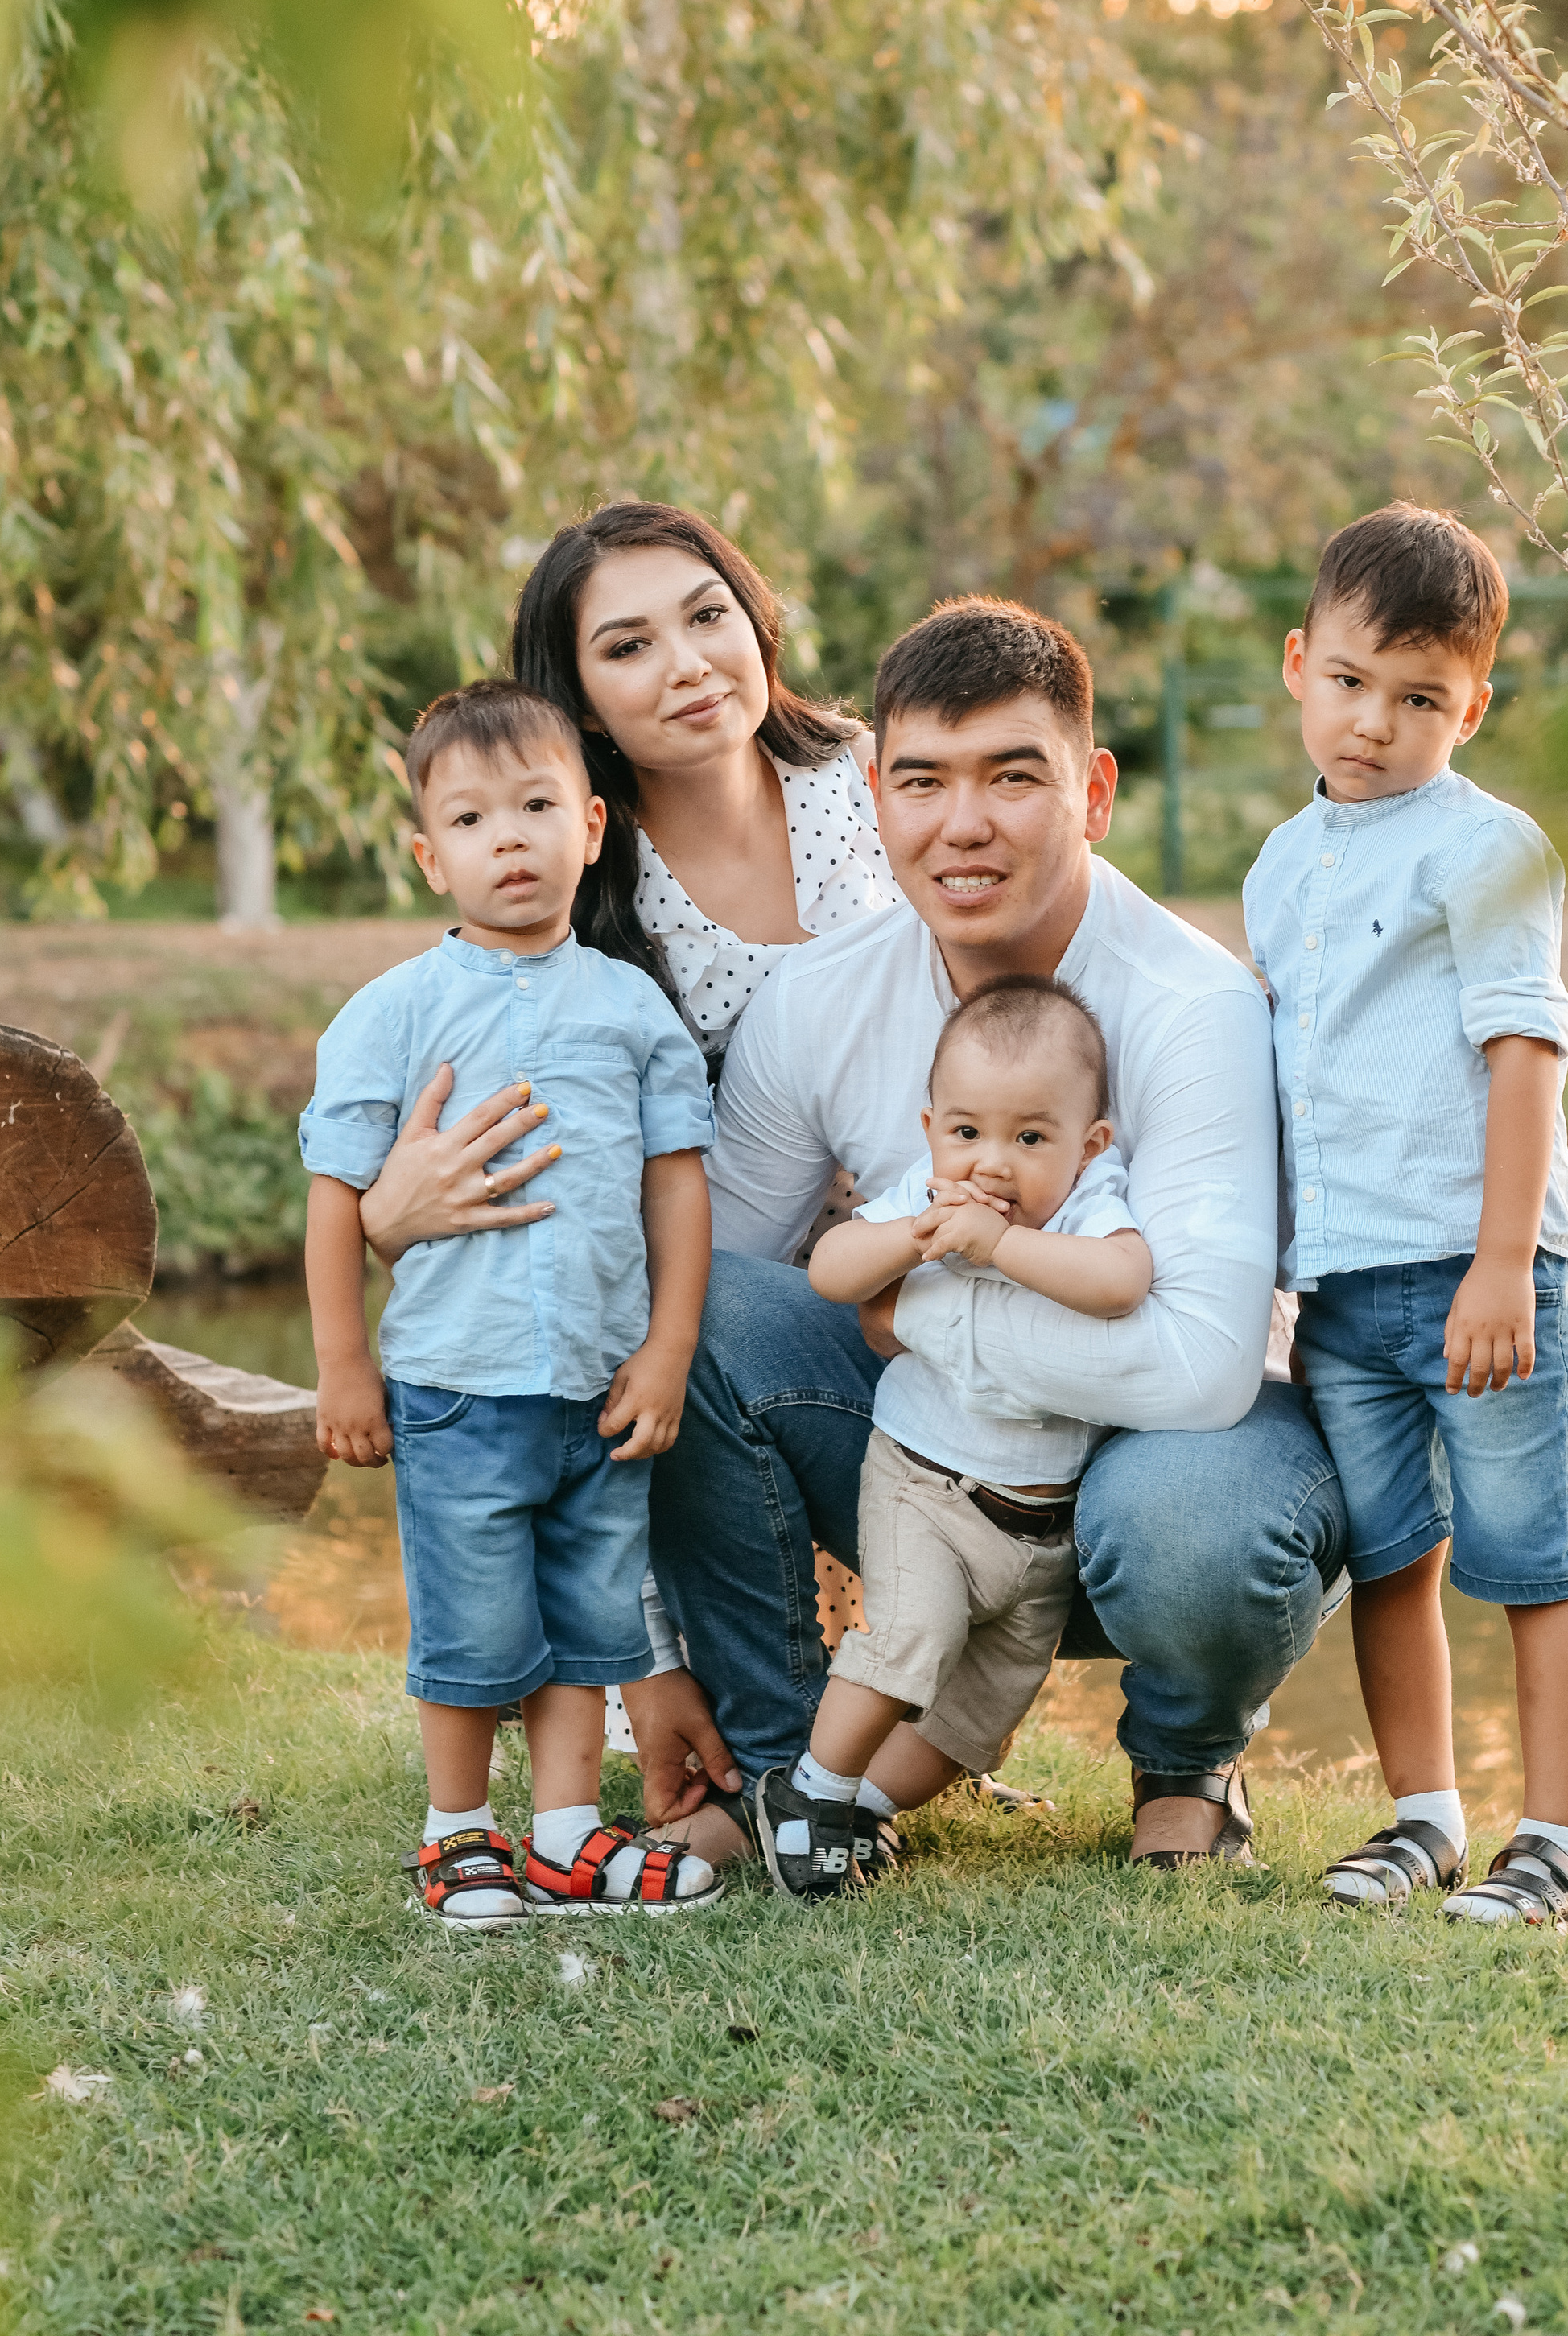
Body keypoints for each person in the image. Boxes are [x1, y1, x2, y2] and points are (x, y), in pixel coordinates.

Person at [642, 596, 1348, 1873]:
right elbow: (713, 1310)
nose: (962, 823)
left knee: (1198, 1527)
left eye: (1012, 776)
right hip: (938, 1476)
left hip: (1163, 1465)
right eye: (922, 780)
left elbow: (1197, 1370)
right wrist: (645, 1652)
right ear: (873, 794)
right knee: (689, 1322)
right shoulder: (819, 1001)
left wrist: (916, 1313)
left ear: (1094, 794)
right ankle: (791, 1770)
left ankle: (1187, 1759)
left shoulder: (1193, 1007)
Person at [350, 501, 901, 1785]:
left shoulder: (878, 785)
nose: (690, 665)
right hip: (710, 1306)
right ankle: (698, 1703)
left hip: (933, 1261)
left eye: (709, 617)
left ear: (757, 619)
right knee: (672, 1332)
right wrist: (385, 1215)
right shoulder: (580, 897)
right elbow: (575, 1235)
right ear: (585, 701)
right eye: (629, 645)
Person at [299, 680, 724, 1928]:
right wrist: (341, 1369)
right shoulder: (393, 1011)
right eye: (477, 820)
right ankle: (454, 1834)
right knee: (475, 1623)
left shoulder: (632, 1007)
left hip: (598, 1383)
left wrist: (669, 1348)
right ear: (433, 857)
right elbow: (337, 1197)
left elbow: (676, 1189)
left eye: (538, 806)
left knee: (592, 1615)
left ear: (591, 825)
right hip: (455, 1382)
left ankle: (565, 1838)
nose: (513, 839)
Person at [1244, 504, 1568, 1929]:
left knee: (1534, 1556)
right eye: (1349, 683)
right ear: (1297, 664)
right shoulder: (1281, 869)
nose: (1374, 725)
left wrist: (1508, 1262)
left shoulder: (1491, 851)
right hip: (1343, 1289)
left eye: (1419, 701)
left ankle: (1560, 1844)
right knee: (1392, 1559)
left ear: (1475, 706)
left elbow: (1524, 1057)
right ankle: (1423, 1820)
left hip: (1478, 1274)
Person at [761, 975, 1153, 1898]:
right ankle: (810, 1796)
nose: (991, 1163)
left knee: (979, 1719)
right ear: (932, 1126)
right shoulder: (924, 1197)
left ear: (1088, 1144)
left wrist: (999, 1247)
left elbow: (1123, 1281)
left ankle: (861, 1806)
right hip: (922, 1486)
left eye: (1029, 1138)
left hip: (1041, 1528)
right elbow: (831, 1269)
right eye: (968, 1132)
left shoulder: (1091, 1204)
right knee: (908, 1640)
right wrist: (916, 1236)